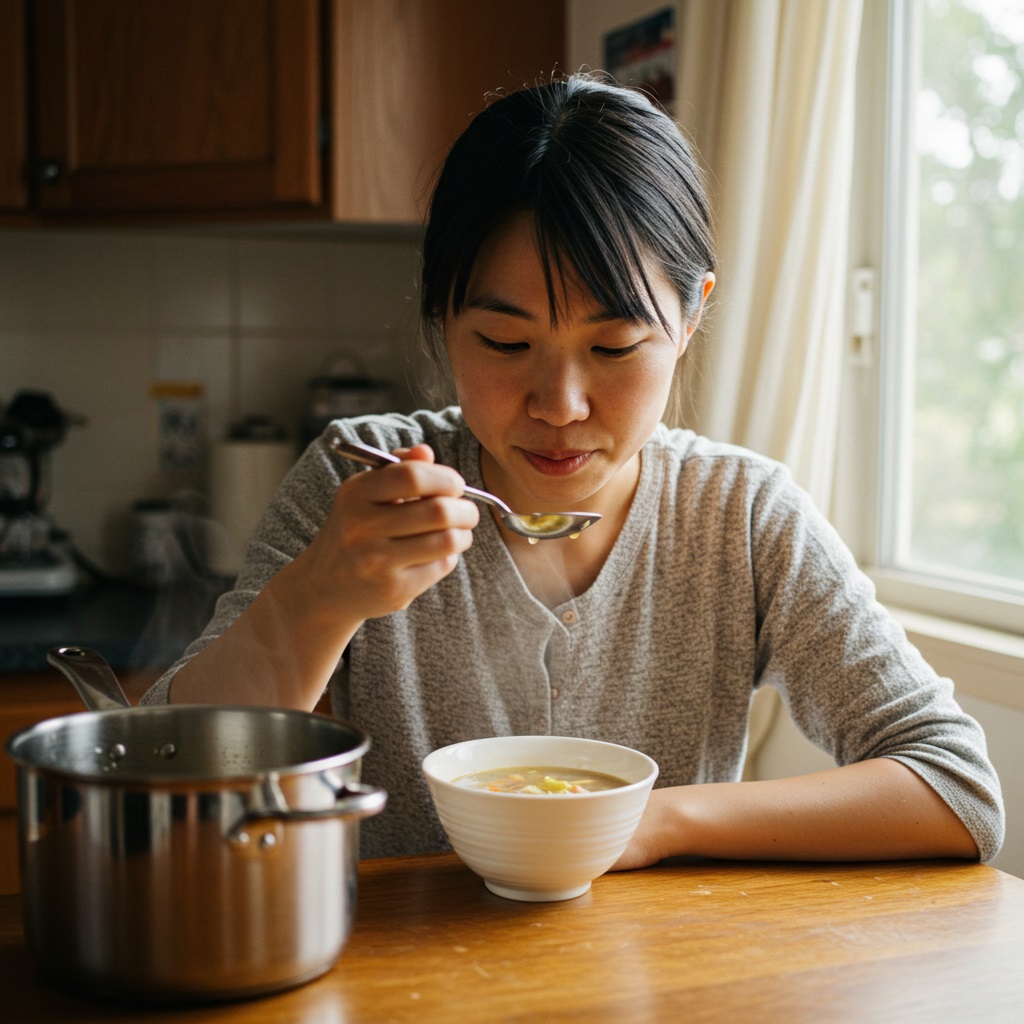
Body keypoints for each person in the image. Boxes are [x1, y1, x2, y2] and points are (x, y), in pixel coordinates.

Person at [142, 71, 1004, 867]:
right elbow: (167, 781)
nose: (559, 403)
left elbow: (957, 789)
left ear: (692, 316)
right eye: (506, 343)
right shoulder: (355, 479)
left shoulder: (739, 514)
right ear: (443, 314)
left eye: (614, 346)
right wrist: (319, 593)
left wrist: (652, 818)